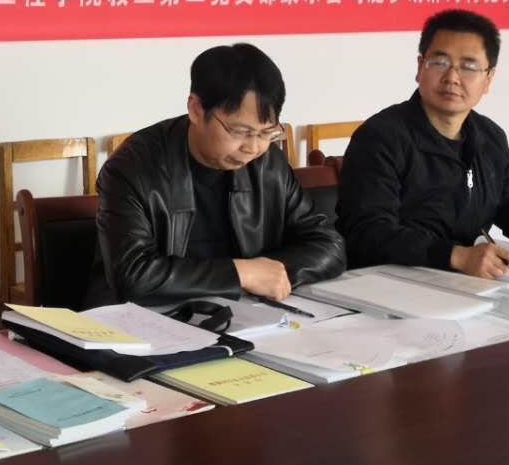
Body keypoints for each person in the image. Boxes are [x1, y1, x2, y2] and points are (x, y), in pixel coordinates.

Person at [86, 43, 345, 307]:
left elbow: (329, 246)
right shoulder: (132, 168)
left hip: (240, 314)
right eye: (240, 131)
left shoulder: (268, 165)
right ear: (196, 109)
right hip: (144, 318)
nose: (253, 147)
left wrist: (267, 275)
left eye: (266, 133)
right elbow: (133, 275)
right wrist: (241, 274)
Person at [338, 9, 509, 277]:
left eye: (468, 67)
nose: (452, 78)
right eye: (440, 62)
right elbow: (369, 232)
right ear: (420, 67)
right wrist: (455, 256)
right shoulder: (381, 137)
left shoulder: (489, 137)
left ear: (488, 79)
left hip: (461, 282)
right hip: (387, 282)